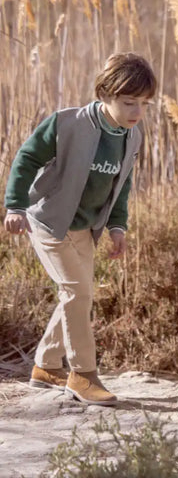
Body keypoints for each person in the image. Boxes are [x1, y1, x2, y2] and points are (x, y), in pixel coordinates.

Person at [4, 52, 157, 407]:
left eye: (144, 104)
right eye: (128, 102)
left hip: (86, 227)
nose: (136, 112)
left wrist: (118, 226)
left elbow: (123, 183)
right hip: (48, 221)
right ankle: (83, 374)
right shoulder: (66, 123)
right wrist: (15, 205)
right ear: (105, 93)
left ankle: (45, 366)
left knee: (79, 291)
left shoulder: (130, 136)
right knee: (77, 291)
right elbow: (26, 159)